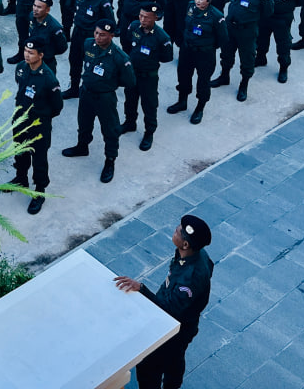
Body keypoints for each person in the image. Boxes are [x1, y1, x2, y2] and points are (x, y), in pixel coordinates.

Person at [115, 215, 215, 389]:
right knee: (175, 359)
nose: (174, 230)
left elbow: (169, 311)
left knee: (148, 366)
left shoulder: (189, 278)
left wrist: (141, 288)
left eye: (177, 231)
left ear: (185, 244)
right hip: (186, 323)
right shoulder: (198, 254)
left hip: (173, 329)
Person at [61, 19, 134, 183]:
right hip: (86, 92)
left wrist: (109, 84)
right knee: (84, 123)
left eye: (102, 35)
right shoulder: (88, 44)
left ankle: (110, 160)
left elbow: (129, 81)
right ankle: (82, 146)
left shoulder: (120, 58)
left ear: (111, 36)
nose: (98, 37)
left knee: (110, 130)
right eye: (96, 33)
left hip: (105, 98)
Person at [12, 40, 64, 213]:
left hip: (39, 124)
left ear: (41, 55)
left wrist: (41, 116)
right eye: (25, 51)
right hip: (20, 119)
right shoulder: (21, 67)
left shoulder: (49, 79)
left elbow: (57, 106)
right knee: (20, 151)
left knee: (39, 158)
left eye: (31, 53)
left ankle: (39, 191)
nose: (27, 55)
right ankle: (21, 178)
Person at [167, 0, 227, 124]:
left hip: (204, 53)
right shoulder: (190, 6)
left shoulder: (216, 16)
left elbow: (223, 38)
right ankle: (182, 101)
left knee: (203, 81)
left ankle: (200, 108)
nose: (197, 1)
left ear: (209, 0)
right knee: (183, 76)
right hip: (187, 49)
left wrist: (207, 46)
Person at [123, 4, 173, 151]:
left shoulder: (162, 37)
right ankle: (129, 123)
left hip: (148, 77)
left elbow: (167, 57)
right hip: (133, 73)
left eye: (146, 17)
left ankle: (149, 132)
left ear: (155, 18)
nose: (142, 19)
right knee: (130, 100)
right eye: (141, 16)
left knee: (149, 105)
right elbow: (127, 44)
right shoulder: (134, 27)